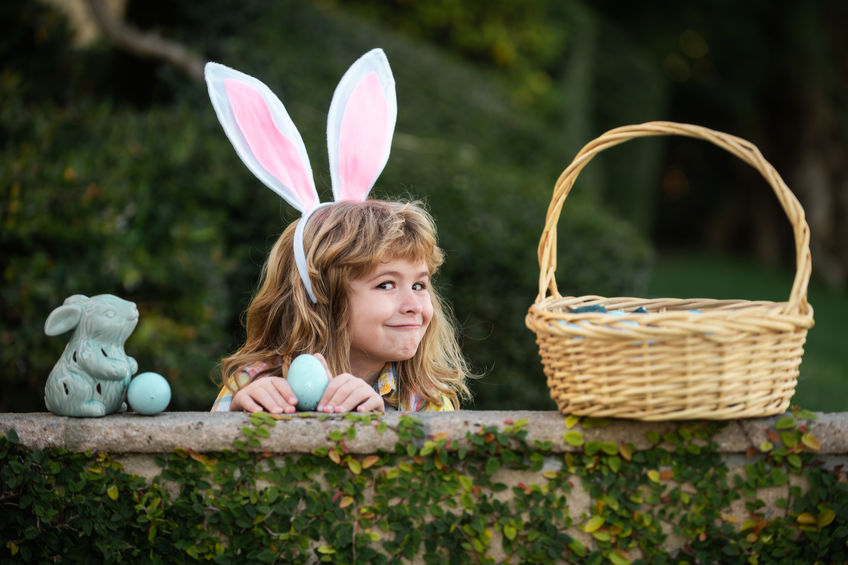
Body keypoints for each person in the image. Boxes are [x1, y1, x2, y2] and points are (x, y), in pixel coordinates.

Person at [204, 49, 470, 413]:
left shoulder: (424, 398)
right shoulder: (258, 385)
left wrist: (383, 432)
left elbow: (439, 470)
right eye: (387, 284)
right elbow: (203, 464)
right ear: (321, 297)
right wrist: (232, 419)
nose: (414, 307)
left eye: (419, 284)